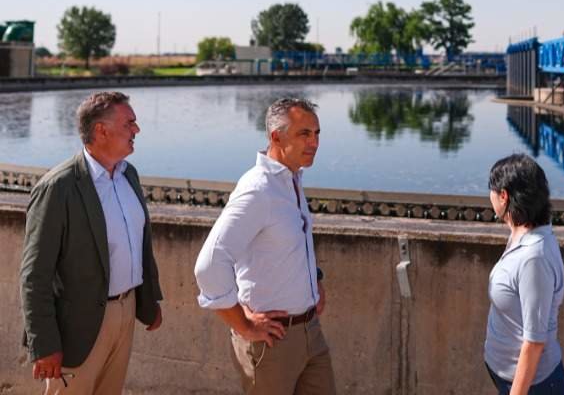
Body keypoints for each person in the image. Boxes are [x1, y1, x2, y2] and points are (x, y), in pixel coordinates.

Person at [20, 91, 164, 394]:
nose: (136, 130)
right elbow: (35, 275)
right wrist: (44, 344)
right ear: (102, 130)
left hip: (125, 312)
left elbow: (139, 245)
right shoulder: (58, 187)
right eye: (130, 123)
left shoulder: (129, 175)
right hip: (78, 326)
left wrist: (149, 301)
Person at [194, 98, 334, 395]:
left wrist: (315, 278)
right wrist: (243, 324)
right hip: (273, 342)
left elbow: (287, 244)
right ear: (276, 137)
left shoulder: (290, 179)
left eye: (317, 133)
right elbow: (209, 264)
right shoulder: (258, 189)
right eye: (304, 134)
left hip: (311, 333)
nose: (314, 142)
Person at [484, 154, 564, 394]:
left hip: (533, 386)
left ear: (504, 196)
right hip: (511, 377)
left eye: (491, 189)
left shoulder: (534, 258)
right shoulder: (523, 232)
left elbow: (534, 340)